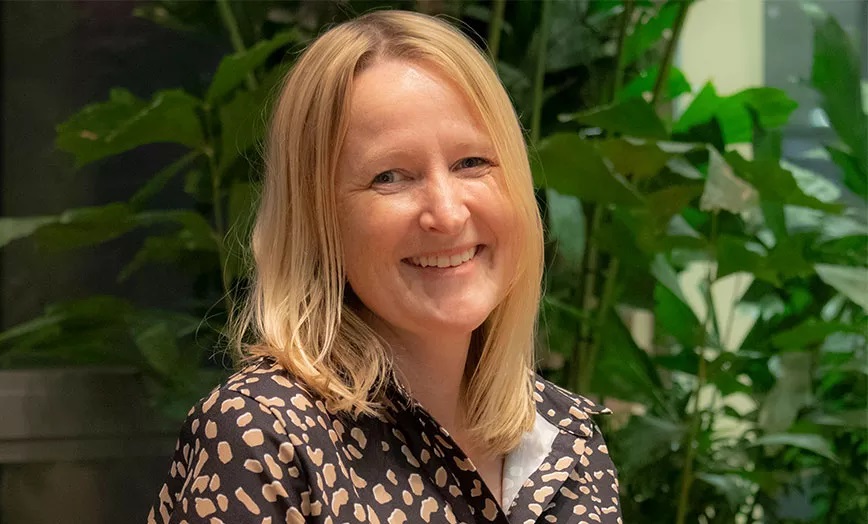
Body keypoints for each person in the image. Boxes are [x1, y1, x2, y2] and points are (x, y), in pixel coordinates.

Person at [148, 9, 621, 524]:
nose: (447, 212)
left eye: (472, 163)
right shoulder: (265, 437)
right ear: (318, 220)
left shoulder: (566, 438)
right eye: (390, 176)